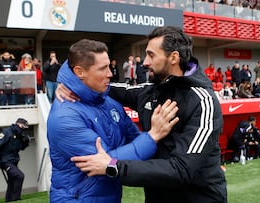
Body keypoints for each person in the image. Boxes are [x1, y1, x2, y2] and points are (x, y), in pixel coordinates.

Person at [65, 26, 226, 202]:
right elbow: (102, 85)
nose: (145, 62)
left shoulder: (203, 101)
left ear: (173, 57)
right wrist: (69, 82)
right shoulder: (149, 91)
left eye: (151, 55)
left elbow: (182, 169)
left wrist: (113, 166)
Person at [47, 39, 179, 203]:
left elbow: (132, 139)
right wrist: (152, 136)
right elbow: (104, 164)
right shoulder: (64, 117)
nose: (110, 73)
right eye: (103, 68)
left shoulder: (108, 101)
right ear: (80, 72)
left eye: (109, 66)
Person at [0, 118, 30, 202]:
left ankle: (9, 200)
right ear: (19, 124)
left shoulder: (20, 134)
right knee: (19, 176)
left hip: (14, 160)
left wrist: (26, 142)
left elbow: (21, 148)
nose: (24, 129)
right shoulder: (6, 132)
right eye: (23, 127)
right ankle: (16, 199)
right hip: (5, 161)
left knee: (12, 181)